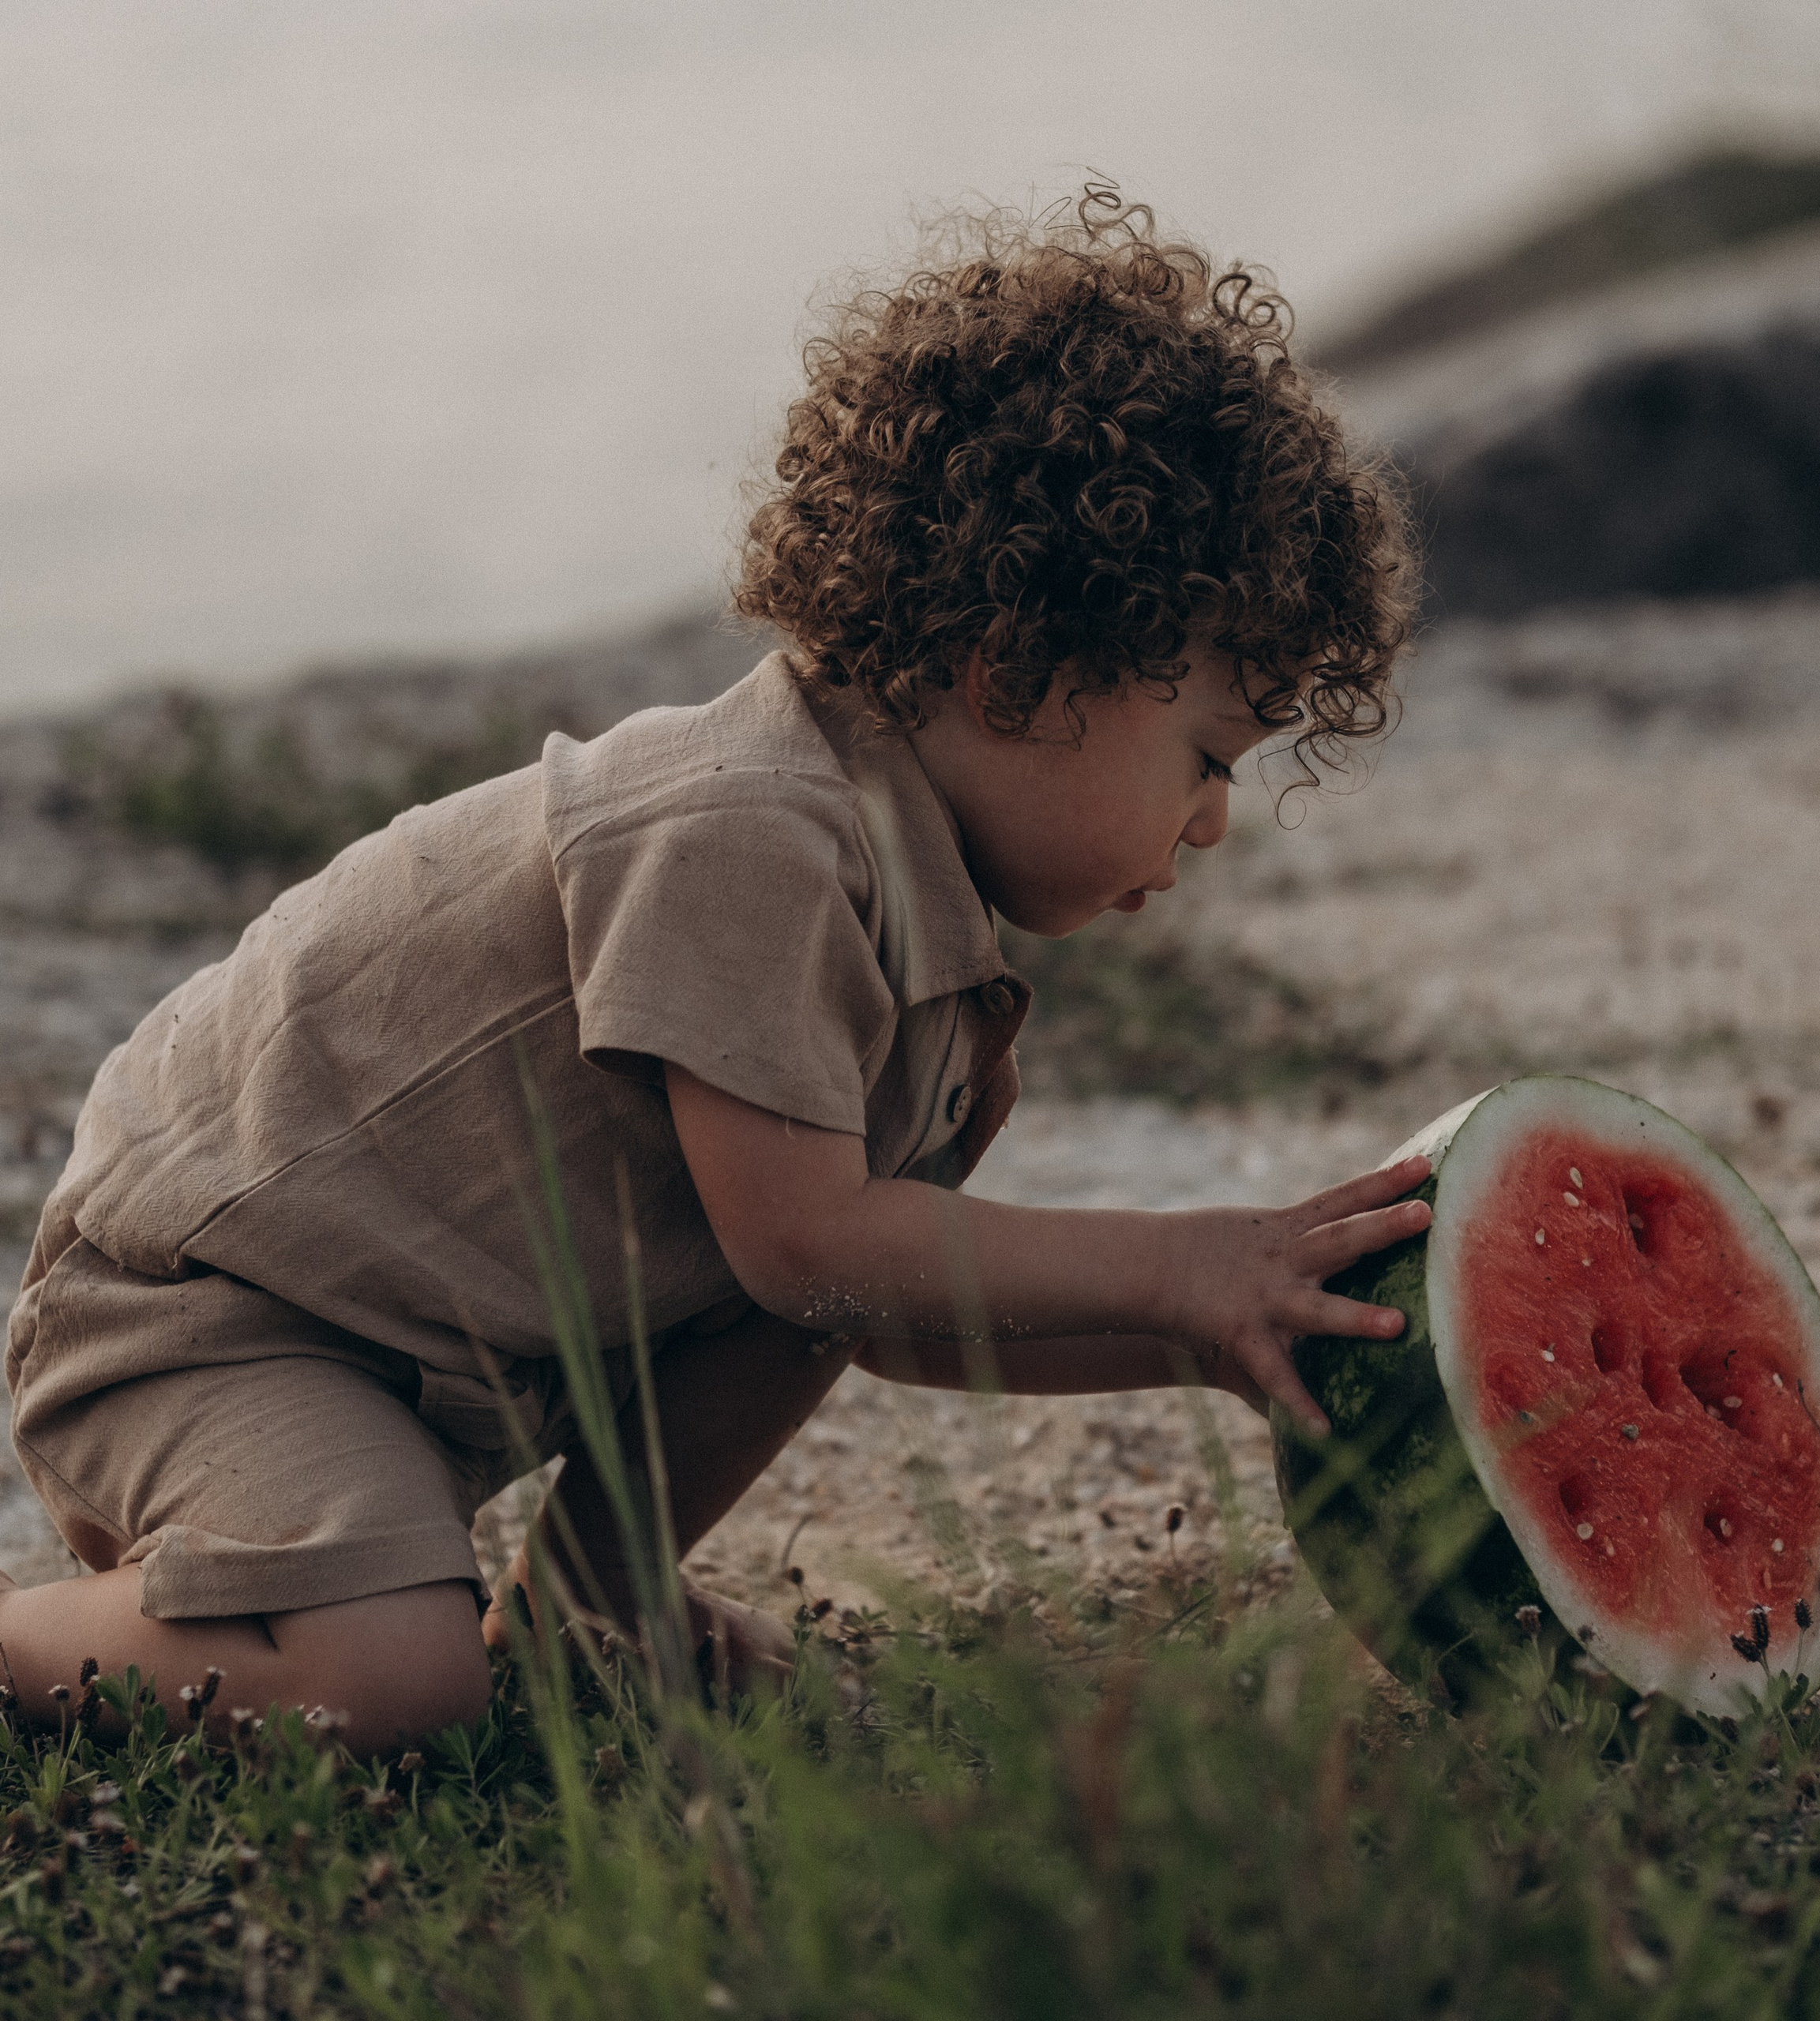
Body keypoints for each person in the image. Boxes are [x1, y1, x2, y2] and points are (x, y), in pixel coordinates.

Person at [2, 190, 1424, 1754]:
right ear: (1010, 665)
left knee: (850, 1239)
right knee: (400, 1686)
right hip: (214, 1319)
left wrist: (1218, 1332)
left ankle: (583, 1616)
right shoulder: (747, 829)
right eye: (1207, 757)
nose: (1212, 823)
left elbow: (884, 1308)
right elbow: (819, 1254)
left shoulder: (927, 962)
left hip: (442, 1357)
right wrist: (1178, 1263)